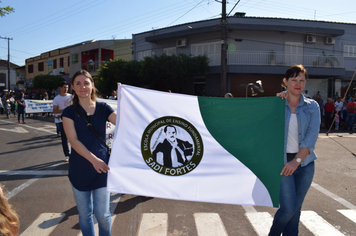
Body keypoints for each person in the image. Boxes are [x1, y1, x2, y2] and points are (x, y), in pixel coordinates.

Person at [62, 70, 116, 236]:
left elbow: (125, 122)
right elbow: (74, 141)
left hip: (102, 169)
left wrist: (126, 99)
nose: (82, 87)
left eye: (86, 83)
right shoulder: (69, 112)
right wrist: (94, 161)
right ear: (72, 87)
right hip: (80, 169)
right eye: (77, 83)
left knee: (103, 215)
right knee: (85, 215)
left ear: (92, 85)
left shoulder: (103, 108)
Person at [269, 65, 320, 236]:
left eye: (301, 80)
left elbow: (311, 138)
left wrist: (296, 161)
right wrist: (276, 102)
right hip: (282, 163)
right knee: (288, 209)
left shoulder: (312, 107)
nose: (298, 84)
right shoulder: (276, 104)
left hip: (304, 164)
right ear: (285, 82)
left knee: (296, 209)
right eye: (294, 80)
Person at [53, 81, 72, 161]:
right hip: (62, 121)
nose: (66, 89)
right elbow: (55, 110)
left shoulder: (71, 96)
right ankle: (67, 154)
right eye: (64, 87)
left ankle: (75, 153)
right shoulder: (56, 98)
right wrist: (65, 110)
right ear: (60, 88)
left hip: (72, 120)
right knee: (64, 139)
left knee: (74, 138)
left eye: (67, 87)